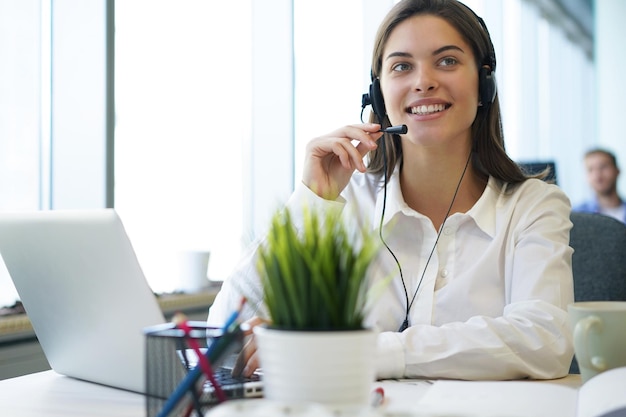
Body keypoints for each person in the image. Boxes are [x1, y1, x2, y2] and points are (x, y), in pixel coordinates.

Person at [208, 0, 574, 381]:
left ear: (484, 84)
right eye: (402, 66)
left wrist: (355, 351)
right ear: (379, 94)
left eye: (447, 61)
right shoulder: (344, 203)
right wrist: (313, 201)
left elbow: (545, 339)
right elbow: (221, 337)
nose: (423, 81)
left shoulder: (533, 206)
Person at [573, 148, 626, 223]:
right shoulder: (577, 215)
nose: (597, 175)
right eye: (590, 169)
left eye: (603, 167)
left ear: (617, 171)